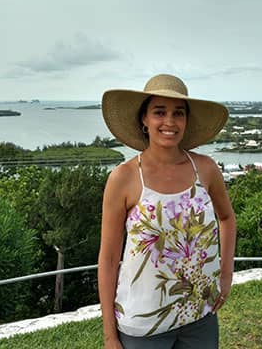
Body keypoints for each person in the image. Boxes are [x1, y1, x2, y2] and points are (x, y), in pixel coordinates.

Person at [98, 74, 237, 349]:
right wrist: (110, 335)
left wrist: (225, 273)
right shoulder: (124, 178)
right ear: (144, 119)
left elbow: (227, 218)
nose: (170, 122)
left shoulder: (205, 169)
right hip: (143, 323)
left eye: (178, 113)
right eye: (159, 112)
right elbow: (109, 258)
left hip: (199, 313)